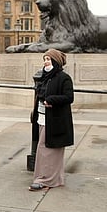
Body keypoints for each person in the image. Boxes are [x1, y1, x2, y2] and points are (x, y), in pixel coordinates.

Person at [29, 48, 74, 191]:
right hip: (43, 117)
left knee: (50, 149)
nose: (45, 62)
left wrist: (51, 100)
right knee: (44, 149)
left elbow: (69, 97)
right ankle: (46, 178)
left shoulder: (64, 78)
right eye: (44, 59)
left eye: (48, 59)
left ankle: (46, 180)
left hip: (55, 119)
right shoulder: (44, 77)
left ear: (55, 61)